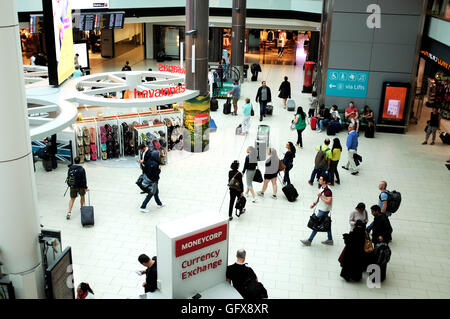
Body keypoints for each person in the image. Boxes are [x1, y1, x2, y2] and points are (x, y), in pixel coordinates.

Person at [301, 175, 333, 246]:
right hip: (322, 209)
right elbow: (319, 198)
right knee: (326, 224)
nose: (319, 180)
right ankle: (330, 239)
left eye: (321, 179)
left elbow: (329, 201)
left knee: (316, 225)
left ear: (324, 181)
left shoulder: (328, 191)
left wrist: (320, 196)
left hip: (323, 210)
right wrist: (314, 203)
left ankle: (309, 241)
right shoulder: (322, 187)